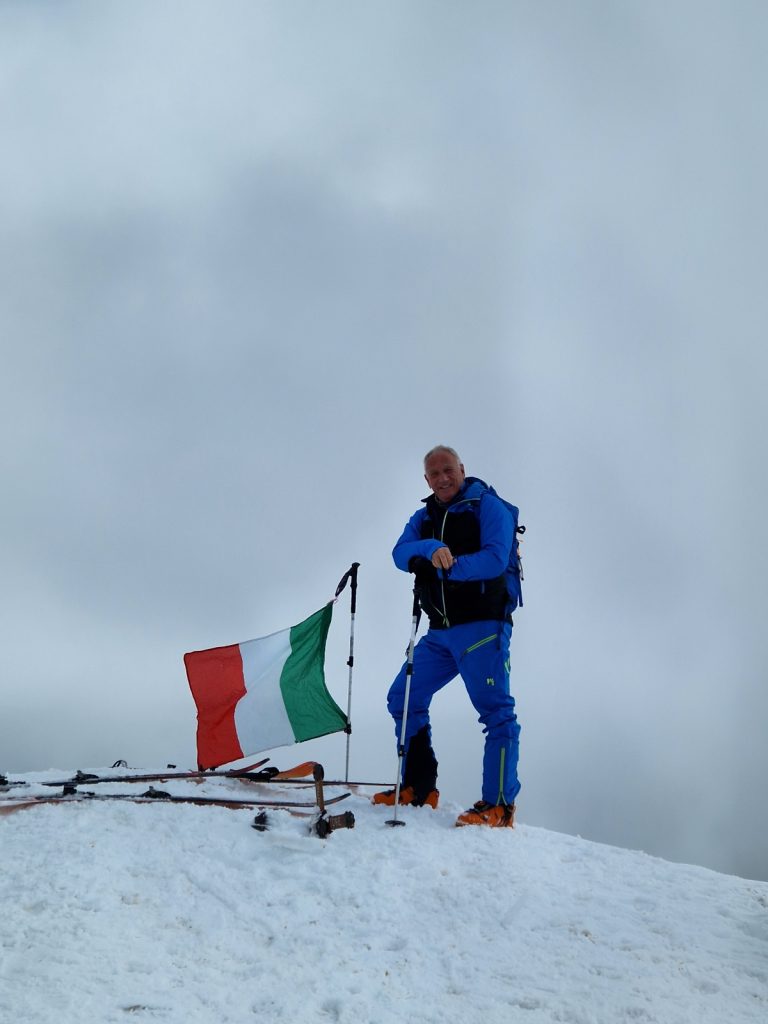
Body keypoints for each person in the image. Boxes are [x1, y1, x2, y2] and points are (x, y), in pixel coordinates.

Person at [373, 445, 521, 827]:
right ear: (426, 479)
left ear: (462, 469)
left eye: (448, 470)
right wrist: (431, 547)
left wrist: (443, 568)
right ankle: (420, 788)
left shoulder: (489, 507)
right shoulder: (424, 517)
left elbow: (494, 557)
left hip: (482, 629)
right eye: (434, 473)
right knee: (402, 697)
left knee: (496, 713)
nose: (442, 478)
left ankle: (499, 806)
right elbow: (399, 553)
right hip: (439, 632)